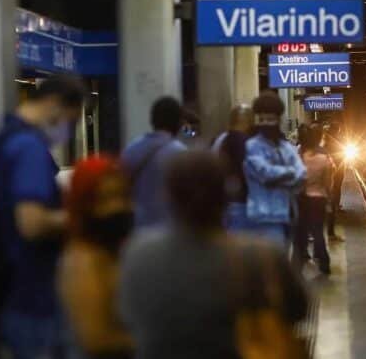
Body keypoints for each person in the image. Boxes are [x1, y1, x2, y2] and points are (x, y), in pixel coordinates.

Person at [119, 151, 309, 359]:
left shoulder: (137, 253)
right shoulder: (259, 255)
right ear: (225, 193)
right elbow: (299, 309)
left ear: (168, 195)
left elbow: (127, 317)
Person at [0, 76, 85, 358]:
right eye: (71, 119)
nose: (69, 129)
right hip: (31, 297)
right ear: (54, 105)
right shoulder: (28, 149)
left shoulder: (3, 138)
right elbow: (32, 222)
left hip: (8, 291)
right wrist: (81, 218)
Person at [58, 156, 133, 359]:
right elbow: (96, 340)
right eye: (105, 199)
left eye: (122, 196)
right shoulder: (82, 260)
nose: (116, 207)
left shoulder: (112, 251)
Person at [243, 92, 306, 246]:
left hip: (287, 215)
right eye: (262, 119)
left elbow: (302, 173)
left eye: (270, 119)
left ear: (278, 119)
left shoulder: (286, 148)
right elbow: (265, 173)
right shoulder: (252, 146)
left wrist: (281, 177)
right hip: (263, 218)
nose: (266, 123)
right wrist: (289, 174)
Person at [121, 96, 187, 228]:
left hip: (138, 230)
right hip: (172, 231)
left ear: (152, 120)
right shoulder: (182, 154)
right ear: (178, 122)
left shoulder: (131, 149)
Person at [292, 125, 333, 274]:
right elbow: (328, 183)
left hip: (302, 199)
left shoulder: (297, 156)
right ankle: (324, 263)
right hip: (319, 199)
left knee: (300, 233)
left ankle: (296, 264)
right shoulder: (323, 158)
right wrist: (329, 201)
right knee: (317, 232)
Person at [212, 106, 255, 231]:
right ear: (248, 121)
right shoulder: (247, 143)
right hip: (242, 202)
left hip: (222, 201)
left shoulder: (219, 139)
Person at [324, 121, 346, 242]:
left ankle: (333, 206)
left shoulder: (326, 140)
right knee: (336, 188)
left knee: (332, 190)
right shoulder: (338, 140)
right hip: (336, 168)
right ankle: (335, 206)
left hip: (329, 169)